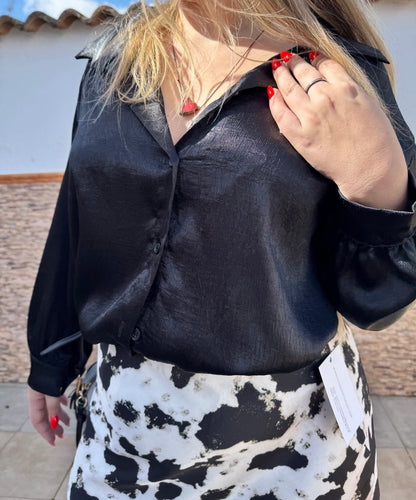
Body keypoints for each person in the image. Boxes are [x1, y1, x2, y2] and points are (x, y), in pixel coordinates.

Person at [26, 0, 416, 498]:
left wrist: (376, 180)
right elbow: (77, 216)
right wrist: (51, 356)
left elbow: (377, 302)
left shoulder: (335, 75)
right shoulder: (113, 64)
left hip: (297, 445)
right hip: (127, 427)